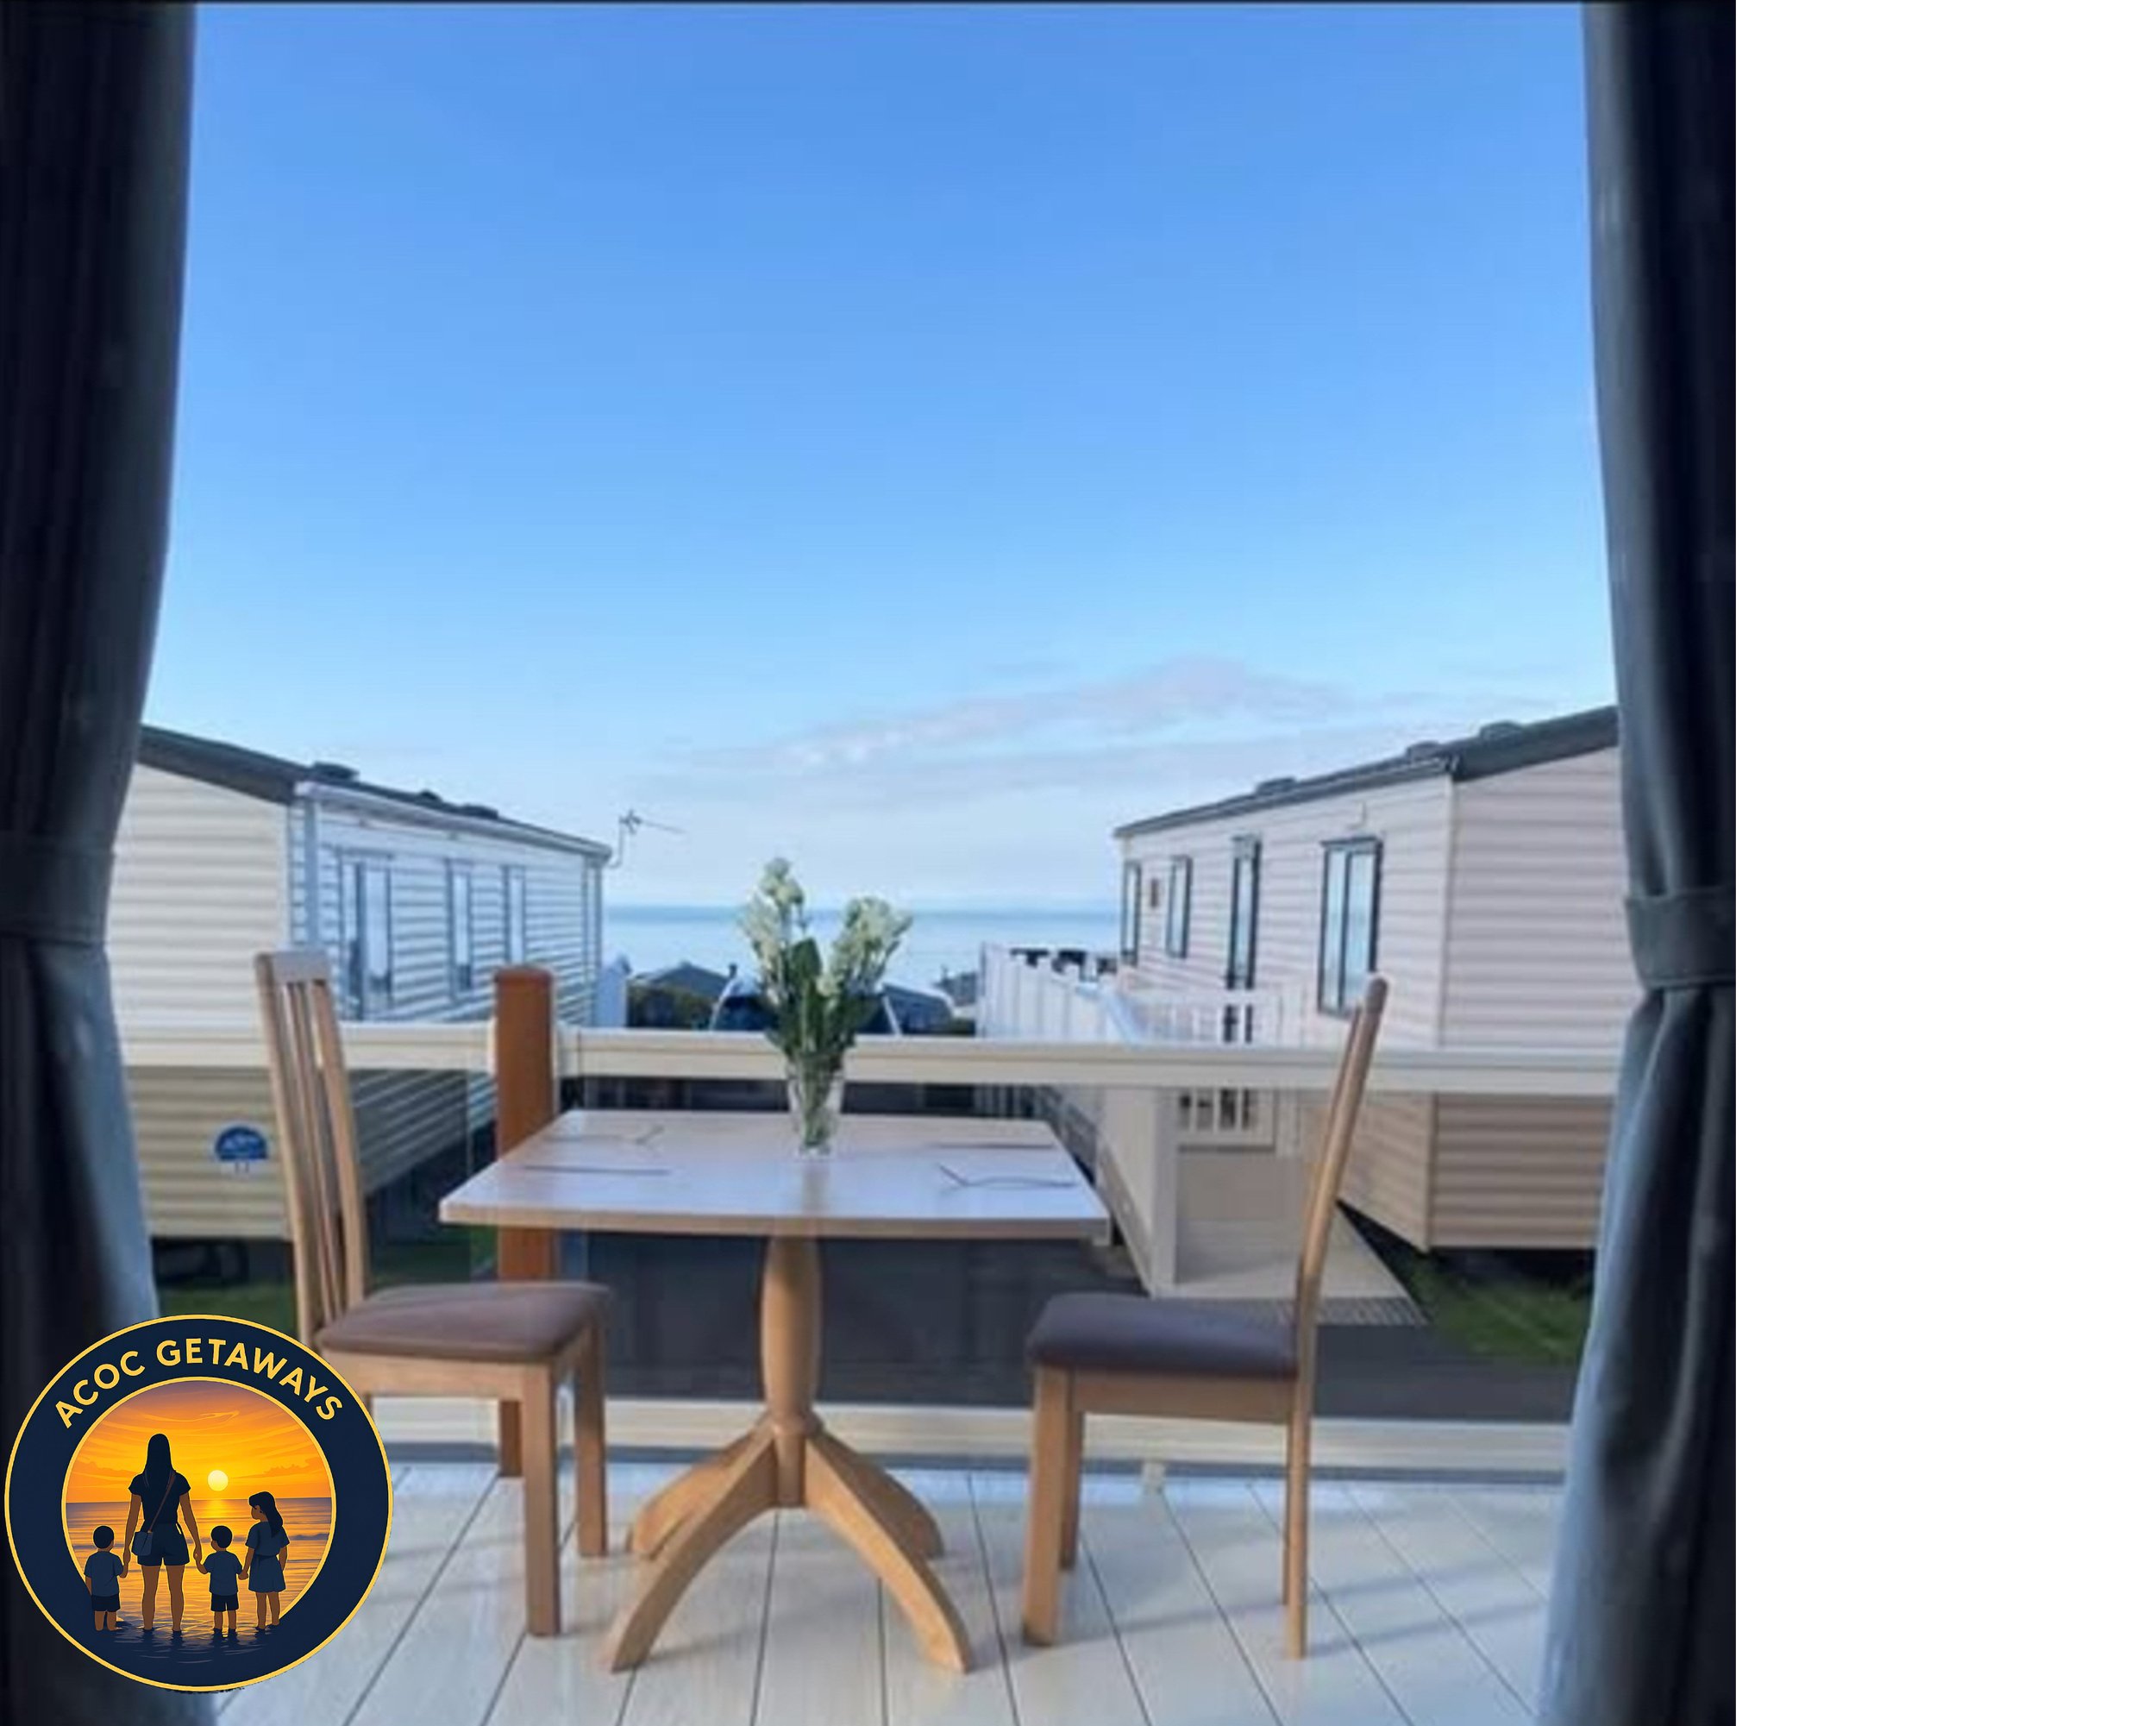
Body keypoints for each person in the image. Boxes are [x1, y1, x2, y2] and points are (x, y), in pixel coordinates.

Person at [120, 1433, 201, 1633]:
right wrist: (197, 1543)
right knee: (176, 1589)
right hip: (173, 1535)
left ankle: (148, 1629)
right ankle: (176, 1630)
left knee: (149, 1590)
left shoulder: (140, 1481)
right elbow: (188, 1514)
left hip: (149, 1536)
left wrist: (127, 1547)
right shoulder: (178, 1480)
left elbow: (133, 1516)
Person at [242, 1491, 288, 1629]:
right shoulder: (278, 1528)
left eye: (253, 1508)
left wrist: (245, 1571)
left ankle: (261, 1625)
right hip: (274, 1565)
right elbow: (284, 1551)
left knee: (261, 1599)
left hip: (259, 1566)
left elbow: (250, 1553)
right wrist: (280, 1568)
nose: (251, 1511)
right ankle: (276, 1622)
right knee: (274, 1598)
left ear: (260, 1509)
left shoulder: (256, 1529)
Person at [197, 1525, 243, 1636]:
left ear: (215, 1542)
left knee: (218, 1612)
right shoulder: (233, 1557)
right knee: (232, 1611)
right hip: (231, 1591)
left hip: (217, 1591)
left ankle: (218, 1629)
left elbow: (204, 1571)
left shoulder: (212, 1558)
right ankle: (232, 1629)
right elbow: (240, 1571)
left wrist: (197, 1561)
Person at [83, 1526, 124, 1631]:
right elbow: (122, 1574)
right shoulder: (114, 1559)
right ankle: (111, 1627)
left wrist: (90, 1592)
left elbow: (88, 1578)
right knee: (112, 1612)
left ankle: (99, 1628)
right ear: (112, 1542)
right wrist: (126, 1564)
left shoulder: (91, 1559)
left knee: (98, 1612)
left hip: (97, 1593)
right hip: (112, 1593)